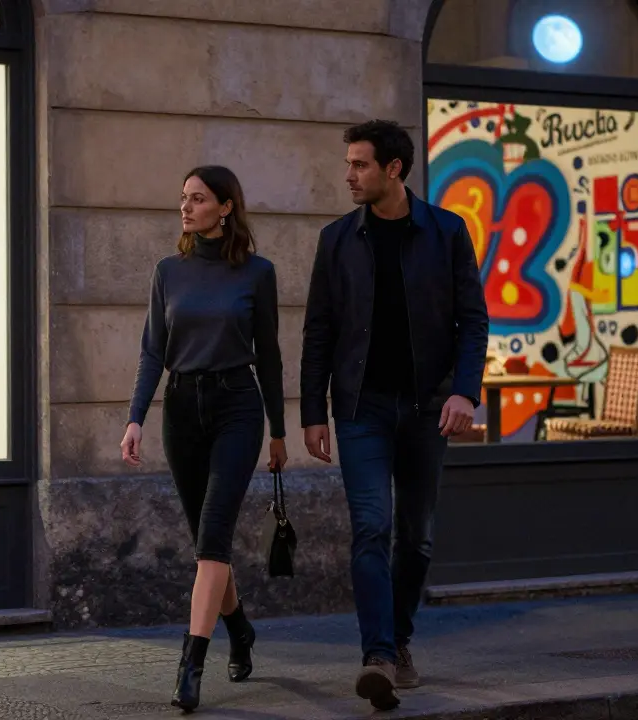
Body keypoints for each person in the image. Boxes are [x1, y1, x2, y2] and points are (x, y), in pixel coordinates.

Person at [299, 120, 489, 710]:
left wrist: (465, 391)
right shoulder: (337, 239)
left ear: (394, 170)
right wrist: (313, 412)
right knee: (371, 527)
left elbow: (473, 319)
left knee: (418, 538)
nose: (349, 174)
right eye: (349, 163)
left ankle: (400, 638)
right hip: (360, 407)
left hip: (428, 407)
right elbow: (319, 330)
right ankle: (377, 655)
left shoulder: (447, 231)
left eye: (360, 164)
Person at [121, 165, 289, 712]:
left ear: (225, 207)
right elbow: (153, 350)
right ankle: (239, 628)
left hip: (238, 407)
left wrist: (279, 433)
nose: (186, 208)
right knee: (206, 542)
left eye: (197, 199)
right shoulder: (169, 271)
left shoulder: (257, 274)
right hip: (182, 410)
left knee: (213, 538)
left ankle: (191, 663)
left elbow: (269, 355)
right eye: (183, 199)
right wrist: (135, 418)